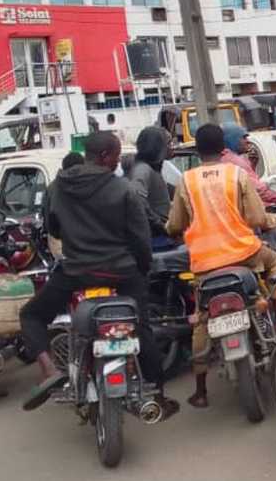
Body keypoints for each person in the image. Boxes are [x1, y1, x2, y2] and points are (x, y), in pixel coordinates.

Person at [20, 132, 175, 414]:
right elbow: (140, 238)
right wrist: (142, 268)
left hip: (76, 272)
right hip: (121, 272)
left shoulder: (58, 187)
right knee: (141, 327)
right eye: (116, 155)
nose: (118, 161)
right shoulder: (122, 189)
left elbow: (53, 228)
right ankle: (158, 395)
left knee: (31, 315)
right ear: (105, 156)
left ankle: (48, 369)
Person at [166, 124, 276, 408]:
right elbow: (257, 217)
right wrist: (274, 220)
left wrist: (171, 228)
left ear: (197, 151)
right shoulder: (236, 174)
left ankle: (201, 389)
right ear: (223, 149)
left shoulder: (187, 180)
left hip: (205, 265)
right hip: (245, 255)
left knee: (202, 318)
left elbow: (176, 224)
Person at [128, 126, 173, 246]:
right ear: (157, 147)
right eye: (168, 143)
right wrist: (159, 224)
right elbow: (137, 198)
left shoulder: (152, 169)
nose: (172, 147)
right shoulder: (143, 170)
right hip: (156, 240)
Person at [221, 125, 276, 205]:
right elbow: (256, 190)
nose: (247, 141)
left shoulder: (226, 158)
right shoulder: (234, 161)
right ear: (233, 139)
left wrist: (252, 165)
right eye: (244, 138)